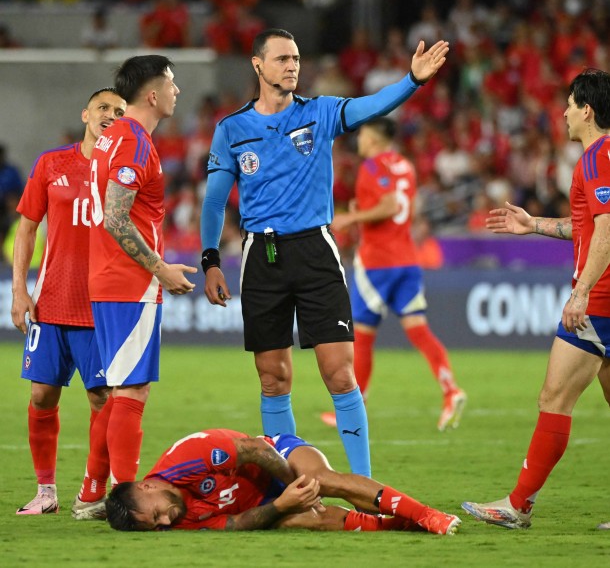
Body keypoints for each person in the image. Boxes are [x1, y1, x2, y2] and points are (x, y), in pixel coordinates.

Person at [200, 28, 449, 478]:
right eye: (282, 59)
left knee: (339, 374)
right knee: (273, 378)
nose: (292, 65)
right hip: (262, 256)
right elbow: (216, 201)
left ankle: (363, 486)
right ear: (258, 65)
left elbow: (371, 105)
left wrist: (412, 80)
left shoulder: (321, 113)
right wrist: (210, 260)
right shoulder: (231, 129)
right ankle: (291, 486)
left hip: (316, 250)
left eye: (296, 58)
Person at [462, 68, 610, 530]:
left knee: (554, 397)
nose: (563, 112)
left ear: (587, 110)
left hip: (601, 301)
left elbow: (607, 231)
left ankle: (518, 504)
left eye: (569, 104)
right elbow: (584, 227)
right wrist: (533, 225)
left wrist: (581, 292)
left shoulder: (597, 158)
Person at [74, 55, 198, 519]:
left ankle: (91, 494)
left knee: (117, 389)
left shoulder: (111, 140)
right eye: (171, 82)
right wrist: (160, 267)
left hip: (108, 280)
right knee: (132, 393)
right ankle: (128, 500)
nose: (176, 91)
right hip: (129, 282)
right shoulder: (134, 141)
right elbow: (114, 217)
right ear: (152, 93)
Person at [12, 88, 127, 515]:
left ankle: (99, 487)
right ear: (85, 113)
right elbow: (26, 229)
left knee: (103, 399)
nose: (110, 116)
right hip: (51, 305)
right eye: (103, 108)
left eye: (119, 111)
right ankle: (46, 492)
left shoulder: (124, 170)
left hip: (100, 309)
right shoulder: (51, 163)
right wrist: (20, 289)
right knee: (42, 395)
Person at [321, 118, 466, 432]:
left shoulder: (371, 167)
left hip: (376, 263)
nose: (358, 141)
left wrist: (352, 217)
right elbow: (407, 209)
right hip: (406, 258)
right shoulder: (405, 166)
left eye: (362, 136)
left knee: (361, 335)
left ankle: (353, 408)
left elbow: (387, 206)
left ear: (372, 139)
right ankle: (450, 390)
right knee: (418, 330)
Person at [105, 427, 461, 535]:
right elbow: (234, 524)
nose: (167, 521)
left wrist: (296, 486)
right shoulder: (174, 521)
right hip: (263, 499)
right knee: (297, 519)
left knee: (319, 479)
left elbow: (256, 450)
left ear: (146, 487)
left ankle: (427, 514)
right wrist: (282, 505)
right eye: (157, 526)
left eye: (157, 515)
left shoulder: (184, 460)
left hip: (276, 456)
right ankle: (397, 524)